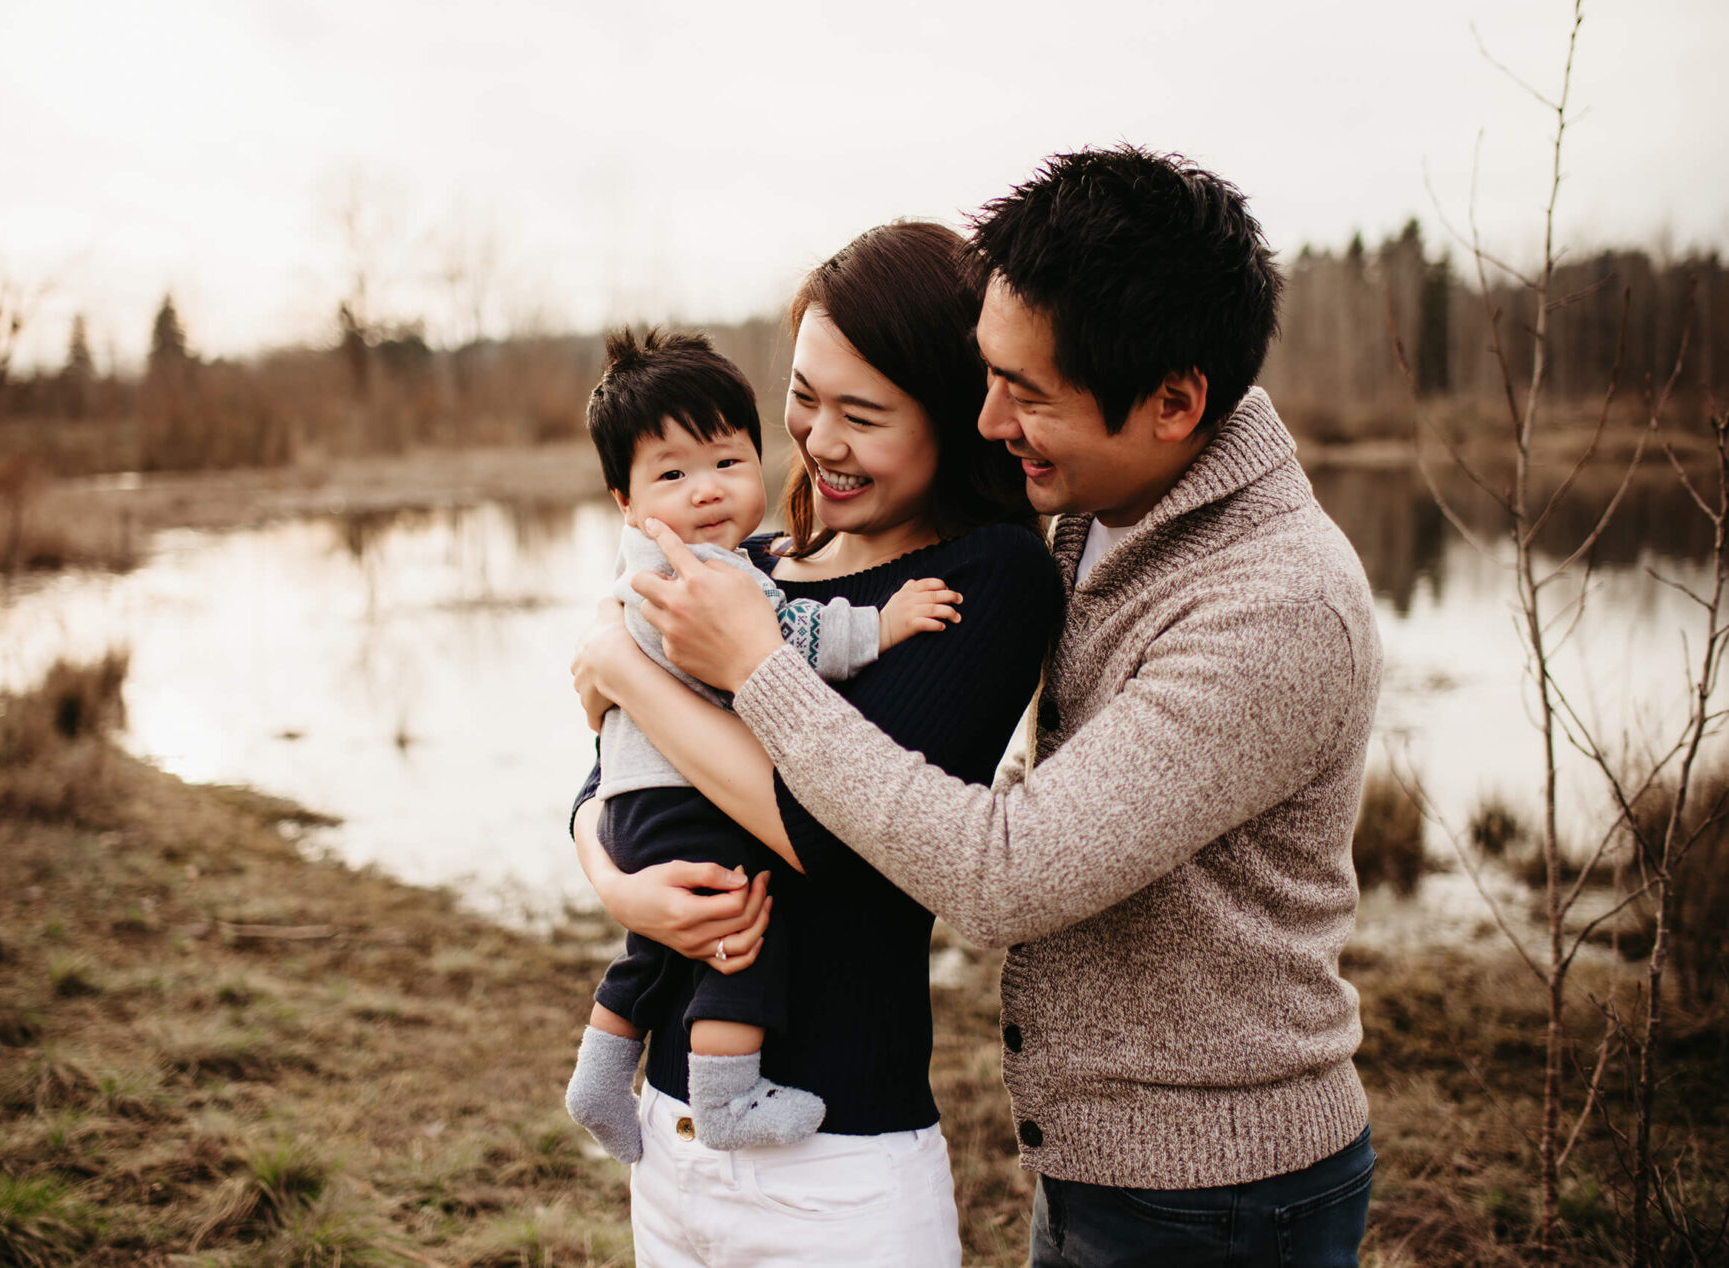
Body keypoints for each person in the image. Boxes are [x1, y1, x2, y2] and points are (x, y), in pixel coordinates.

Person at [585, 147, 1385, 1267]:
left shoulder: (1273, 607)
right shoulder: (1090, 511)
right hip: (1097, 1159)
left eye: (1022, 392)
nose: (991, 418)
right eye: (986, 378)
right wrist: (612, 863)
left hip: (1221, 1188)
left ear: (1174, 402)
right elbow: (629, 759)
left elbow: (1002, 870)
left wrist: (730, 666)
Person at [570, 220, 1059, 1265]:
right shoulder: (751, 559)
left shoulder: (985, 582)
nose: (819, 439)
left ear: (954, 415)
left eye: (863, 413)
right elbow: (609, 771)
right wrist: (614, 882)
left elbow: (827, 831)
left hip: (837, 1170)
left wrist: (620, 669)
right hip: (670, 1142)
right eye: (803, 395)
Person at [566, 325, 964, 1162]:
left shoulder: (686, 565)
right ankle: (727, 1094)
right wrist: (881, 626)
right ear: (626, 501)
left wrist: (609, 862)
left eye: (725, 462)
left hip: (641, 807)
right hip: (679, 803)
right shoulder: (703, 576)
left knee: (656, 943)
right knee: (748, 923)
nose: (705, 491)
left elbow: (609, 727)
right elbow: (785, 639)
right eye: (673, 475)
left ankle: (601, 1075)